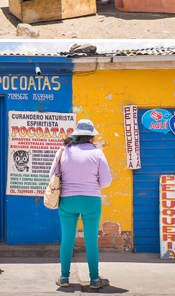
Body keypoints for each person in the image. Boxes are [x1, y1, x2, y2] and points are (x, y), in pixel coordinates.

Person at [52, 120, 112, 290]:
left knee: (67, 239)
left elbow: (53, 176)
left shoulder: (63, 151)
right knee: (91, 240)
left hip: (67, 201)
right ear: (92, 137)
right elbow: (106, 182)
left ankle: (64, 277)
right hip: (91, 201)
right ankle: (94, 279)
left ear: (75, 135)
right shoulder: (97, 153)